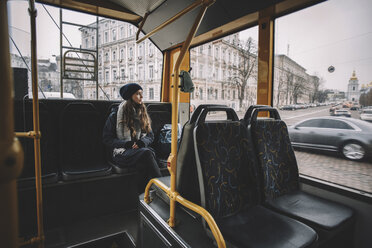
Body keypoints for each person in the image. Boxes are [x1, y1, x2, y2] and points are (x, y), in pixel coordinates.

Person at [102, 83, 161, 193]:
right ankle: (161, 189)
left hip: (139, 151)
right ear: (130, 96)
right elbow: (107, 139)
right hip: (121, 152)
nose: (141, 97)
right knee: (148, 154)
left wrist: (142, 142)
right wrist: (126, 144)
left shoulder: (142, 113)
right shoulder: (115, 116)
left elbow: (150, 135)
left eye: (141, 94)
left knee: (144, 158)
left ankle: (142, 195)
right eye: (138, 94)